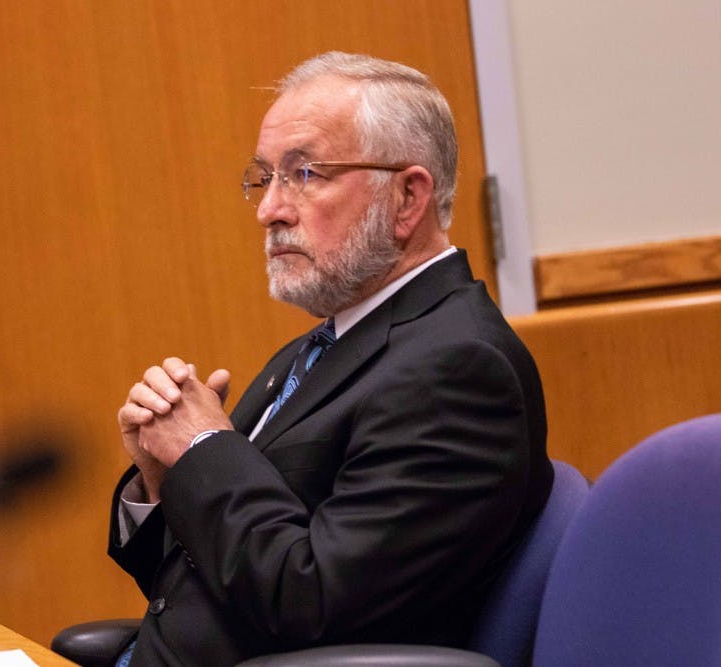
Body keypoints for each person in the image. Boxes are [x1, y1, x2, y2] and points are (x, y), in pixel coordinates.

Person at [109, 52, 552, 666]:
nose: (270, 209)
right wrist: (165, 480)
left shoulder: (457, 372)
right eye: (266, 178)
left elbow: (313, 605)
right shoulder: (328, 344)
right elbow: (209, 581)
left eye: (306, 174)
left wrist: (203, 451)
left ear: (406, 198)